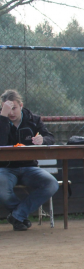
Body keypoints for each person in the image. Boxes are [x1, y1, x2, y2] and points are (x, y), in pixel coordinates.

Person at [0, 89, 59, 231]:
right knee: (1, 186)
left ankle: (17, 215)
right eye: (7, 108)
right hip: (6, 169)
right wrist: (3, 117)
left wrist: (42, 140)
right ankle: (20, 215)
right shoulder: (2, 119)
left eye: (14, 108)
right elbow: (1, 143)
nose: (11, 112)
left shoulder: (33, 119)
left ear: (21, 105)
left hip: (29, 167)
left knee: (51, 183)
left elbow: (50, 137)